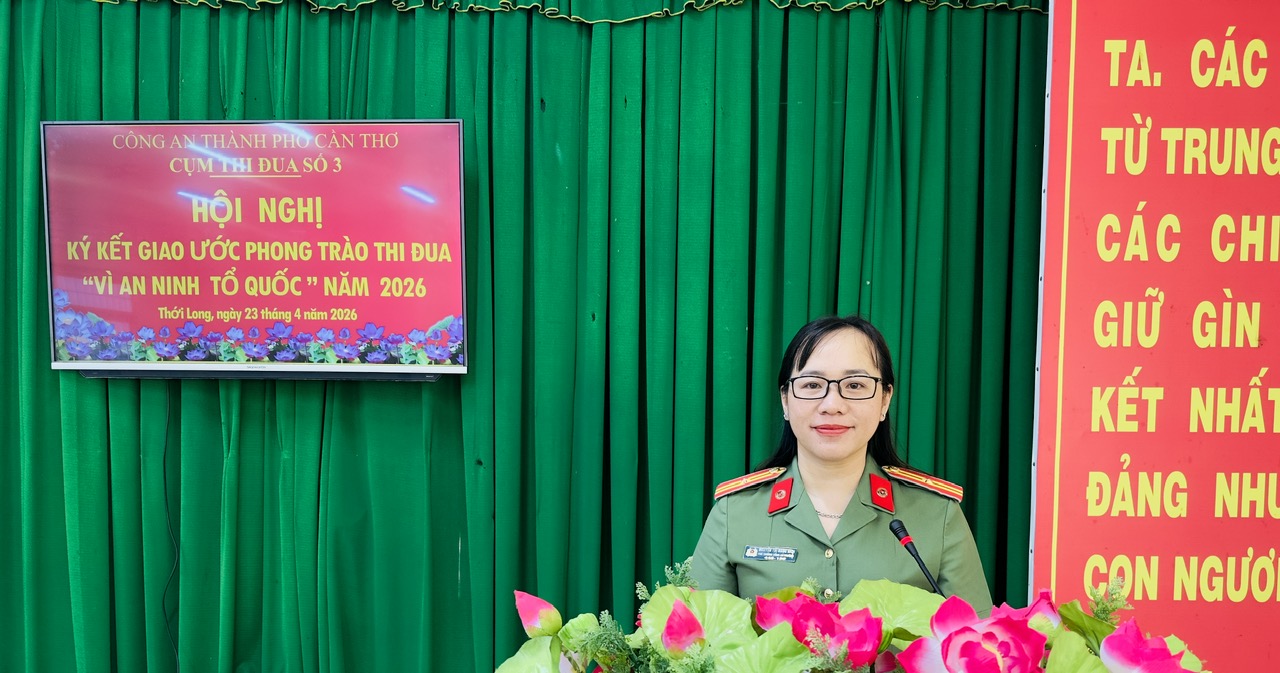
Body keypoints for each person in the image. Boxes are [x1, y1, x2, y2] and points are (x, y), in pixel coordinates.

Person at [689, 315, 993, 616]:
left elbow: (975, 639)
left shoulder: (938, 515)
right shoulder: (735, 513)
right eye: (812, 384)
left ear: (885, 400)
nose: (832, 405)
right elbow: (696, 639)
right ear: (785, 400)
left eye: (855, 385)